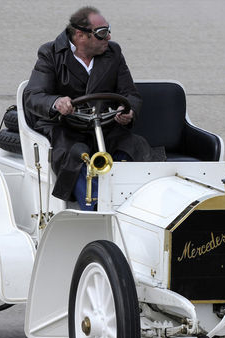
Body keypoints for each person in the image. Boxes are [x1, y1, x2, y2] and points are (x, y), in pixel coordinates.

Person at [24, 6, 161, 208]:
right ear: (80, 35)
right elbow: (33, 96)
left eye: (108, 30)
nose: (108, 37)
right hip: (65, 127)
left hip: (105, 125)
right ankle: (94, 206)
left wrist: (129, 110)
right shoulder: (50, 53)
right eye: (102, 33)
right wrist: (57, 102)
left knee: (135, 145)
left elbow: (130, 94)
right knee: (76, 153)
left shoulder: (113, 52)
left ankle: (140, 204)